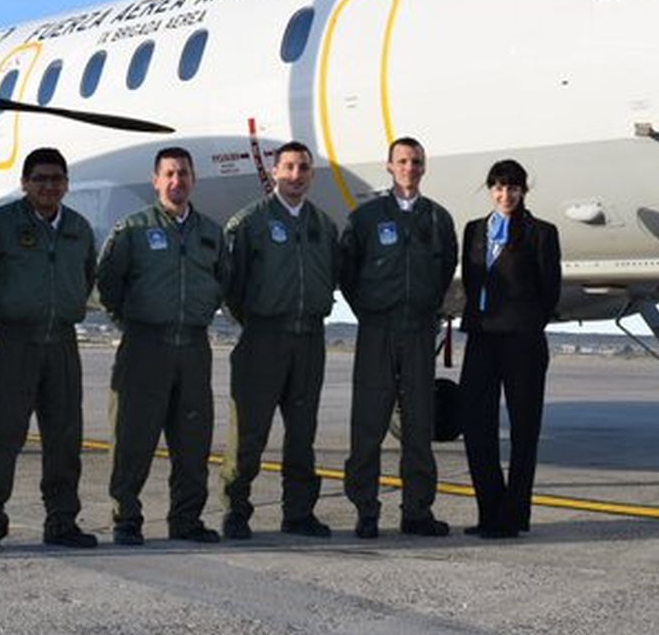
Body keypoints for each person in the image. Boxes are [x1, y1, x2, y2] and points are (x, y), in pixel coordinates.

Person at [0, 148, 99, 553]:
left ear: (66, 185)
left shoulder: (77, 227)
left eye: (56, 179)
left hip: (61, 343)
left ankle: (61, 521)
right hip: (13, 341)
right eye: (39, 178)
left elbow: (86, 273)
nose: (48, 186)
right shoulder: (0, 224)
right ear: (24, 183)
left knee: (64, 437)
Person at [97, 146, 228, 546]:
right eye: (169, 174)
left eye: (184, 174)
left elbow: (225, 280)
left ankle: (186, 519)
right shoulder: (132, 230)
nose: (177, 181)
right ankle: (126, 518)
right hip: (145, 345)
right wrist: (135, 322)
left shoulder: (210, 233)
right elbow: (109, 284)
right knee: (133, 438)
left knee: (193, 440)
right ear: (156, 180)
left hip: (192, 347)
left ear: (193, 180)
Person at [339, 137, 458, 538]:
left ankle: (417, 512)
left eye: (416, 161)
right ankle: (366, 511)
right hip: (377, 331)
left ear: (424, 167)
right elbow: (348, 271)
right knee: (368, 426)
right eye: (403, 161)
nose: (410, 167)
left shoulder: (439, 219)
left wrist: (423, 308)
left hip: (419, 333)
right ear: (389, 167)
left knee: (419, 427)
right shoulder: (367, 217)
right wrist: (372, 310)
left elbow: (445, 269)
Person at [220, 142, 338, 540]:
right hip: (263, 338)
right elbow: (231, 285)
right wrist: (258, 320)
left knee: (303, 433)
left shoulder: (324, 225)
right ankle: (235, 510)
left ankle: (299, 512)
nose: (295, 175)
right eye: (288, 167)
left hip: (309, 338)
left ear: (311, 174)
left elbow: (333, 274)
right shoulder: (249, 222)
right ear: (274, 172)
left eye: (303, 168)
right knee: (249, 433)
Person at [456, 159, 562, 539]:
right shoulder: (474, 231)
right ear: (490, 190)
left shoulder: (541, 233)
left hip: (523, 340)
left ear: (523, 191)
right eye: (499, 188)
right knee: (475, 425)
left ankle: (514, 515)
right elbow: (472, 280)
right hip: (482, 336)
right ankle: (491, 510)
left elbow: (550, 290)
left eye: (513, 188)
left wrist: (526, 320)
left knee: (524, 430)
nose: (506, 195)